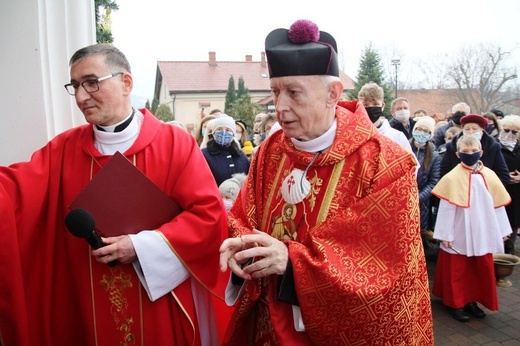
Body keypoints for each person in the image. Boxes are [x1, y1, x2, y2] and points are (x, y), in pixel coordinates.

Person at [219, 19, 433, 345]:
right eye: (275, 92)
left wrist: (291, 263)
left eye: (293, 92)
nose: (280, 107)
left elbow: (385, 273)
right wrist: (244, 249)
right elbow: (242, 219)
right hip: (269, 325)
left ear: (333, 93)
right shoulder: (269, 152)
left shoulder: (384, 163)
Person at [0, 43, 228, 346]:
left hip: (157, 306)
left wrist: (139, 246)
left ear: (126, 83)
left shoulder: (174, 144)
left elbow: (209, 217)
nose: (81, 97)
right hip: (86, 305)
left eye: (92, 83)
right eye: (75, 86)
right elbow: (13, 194)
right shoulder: (63, 149)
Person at [432, 135, 512, 322]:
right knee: (457, 269)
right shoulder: (452, 177)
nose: (470, 154)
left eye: (474, 151)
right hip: (459, 231)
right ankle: (455, 303)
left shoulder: (490, 175)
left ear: (481, 152)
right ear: (458, 154)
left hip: (482, 229)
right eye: (465, 152)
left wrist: (502, 230)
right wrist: (445, 234)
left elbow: (498, 205)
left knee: (478, 267)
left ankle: (472, 301)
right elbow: (446, 208)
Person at [440, 113, 510, 186]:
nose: (471, 132)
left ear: (482, 130)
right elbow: (444, 172)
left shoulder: (493, 147)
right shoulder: (452, 146)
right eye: (467, 129)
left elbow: (503, 175)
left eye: (475, 129)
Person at [354, 82, 412, 152]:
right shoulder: (352, 136)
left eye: (375, 104)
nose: (371, 108)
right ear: (359, 106)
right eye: (365, 105)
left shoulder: (397, 137)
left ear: (383, 106)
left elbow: (410, 161)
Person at [409, 116, 440, 238]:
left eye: (426, 131)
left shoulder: (434, 156)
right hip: (403, 198)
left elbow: (433, 182)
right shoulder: (404, 147)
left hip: (422, 204)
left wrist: (418, 197)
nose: (421, 133)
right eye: (419, 129)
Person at [201, 114, 250, 186]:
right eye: (219, 129)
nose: (223, 133)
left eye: (228, 130)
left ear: (233, 134)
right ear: (213, 133)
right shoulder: (204, 154)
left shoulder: (240, 155)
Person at [498, 115, 520, 254]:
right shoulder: (494, 146)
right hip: (499, 191)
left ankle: (508, 256)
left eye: (514, 132)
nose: (509, 135)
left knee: (513, 225)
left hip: (517, 193)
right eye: (506, 130)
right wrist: (505, 177)